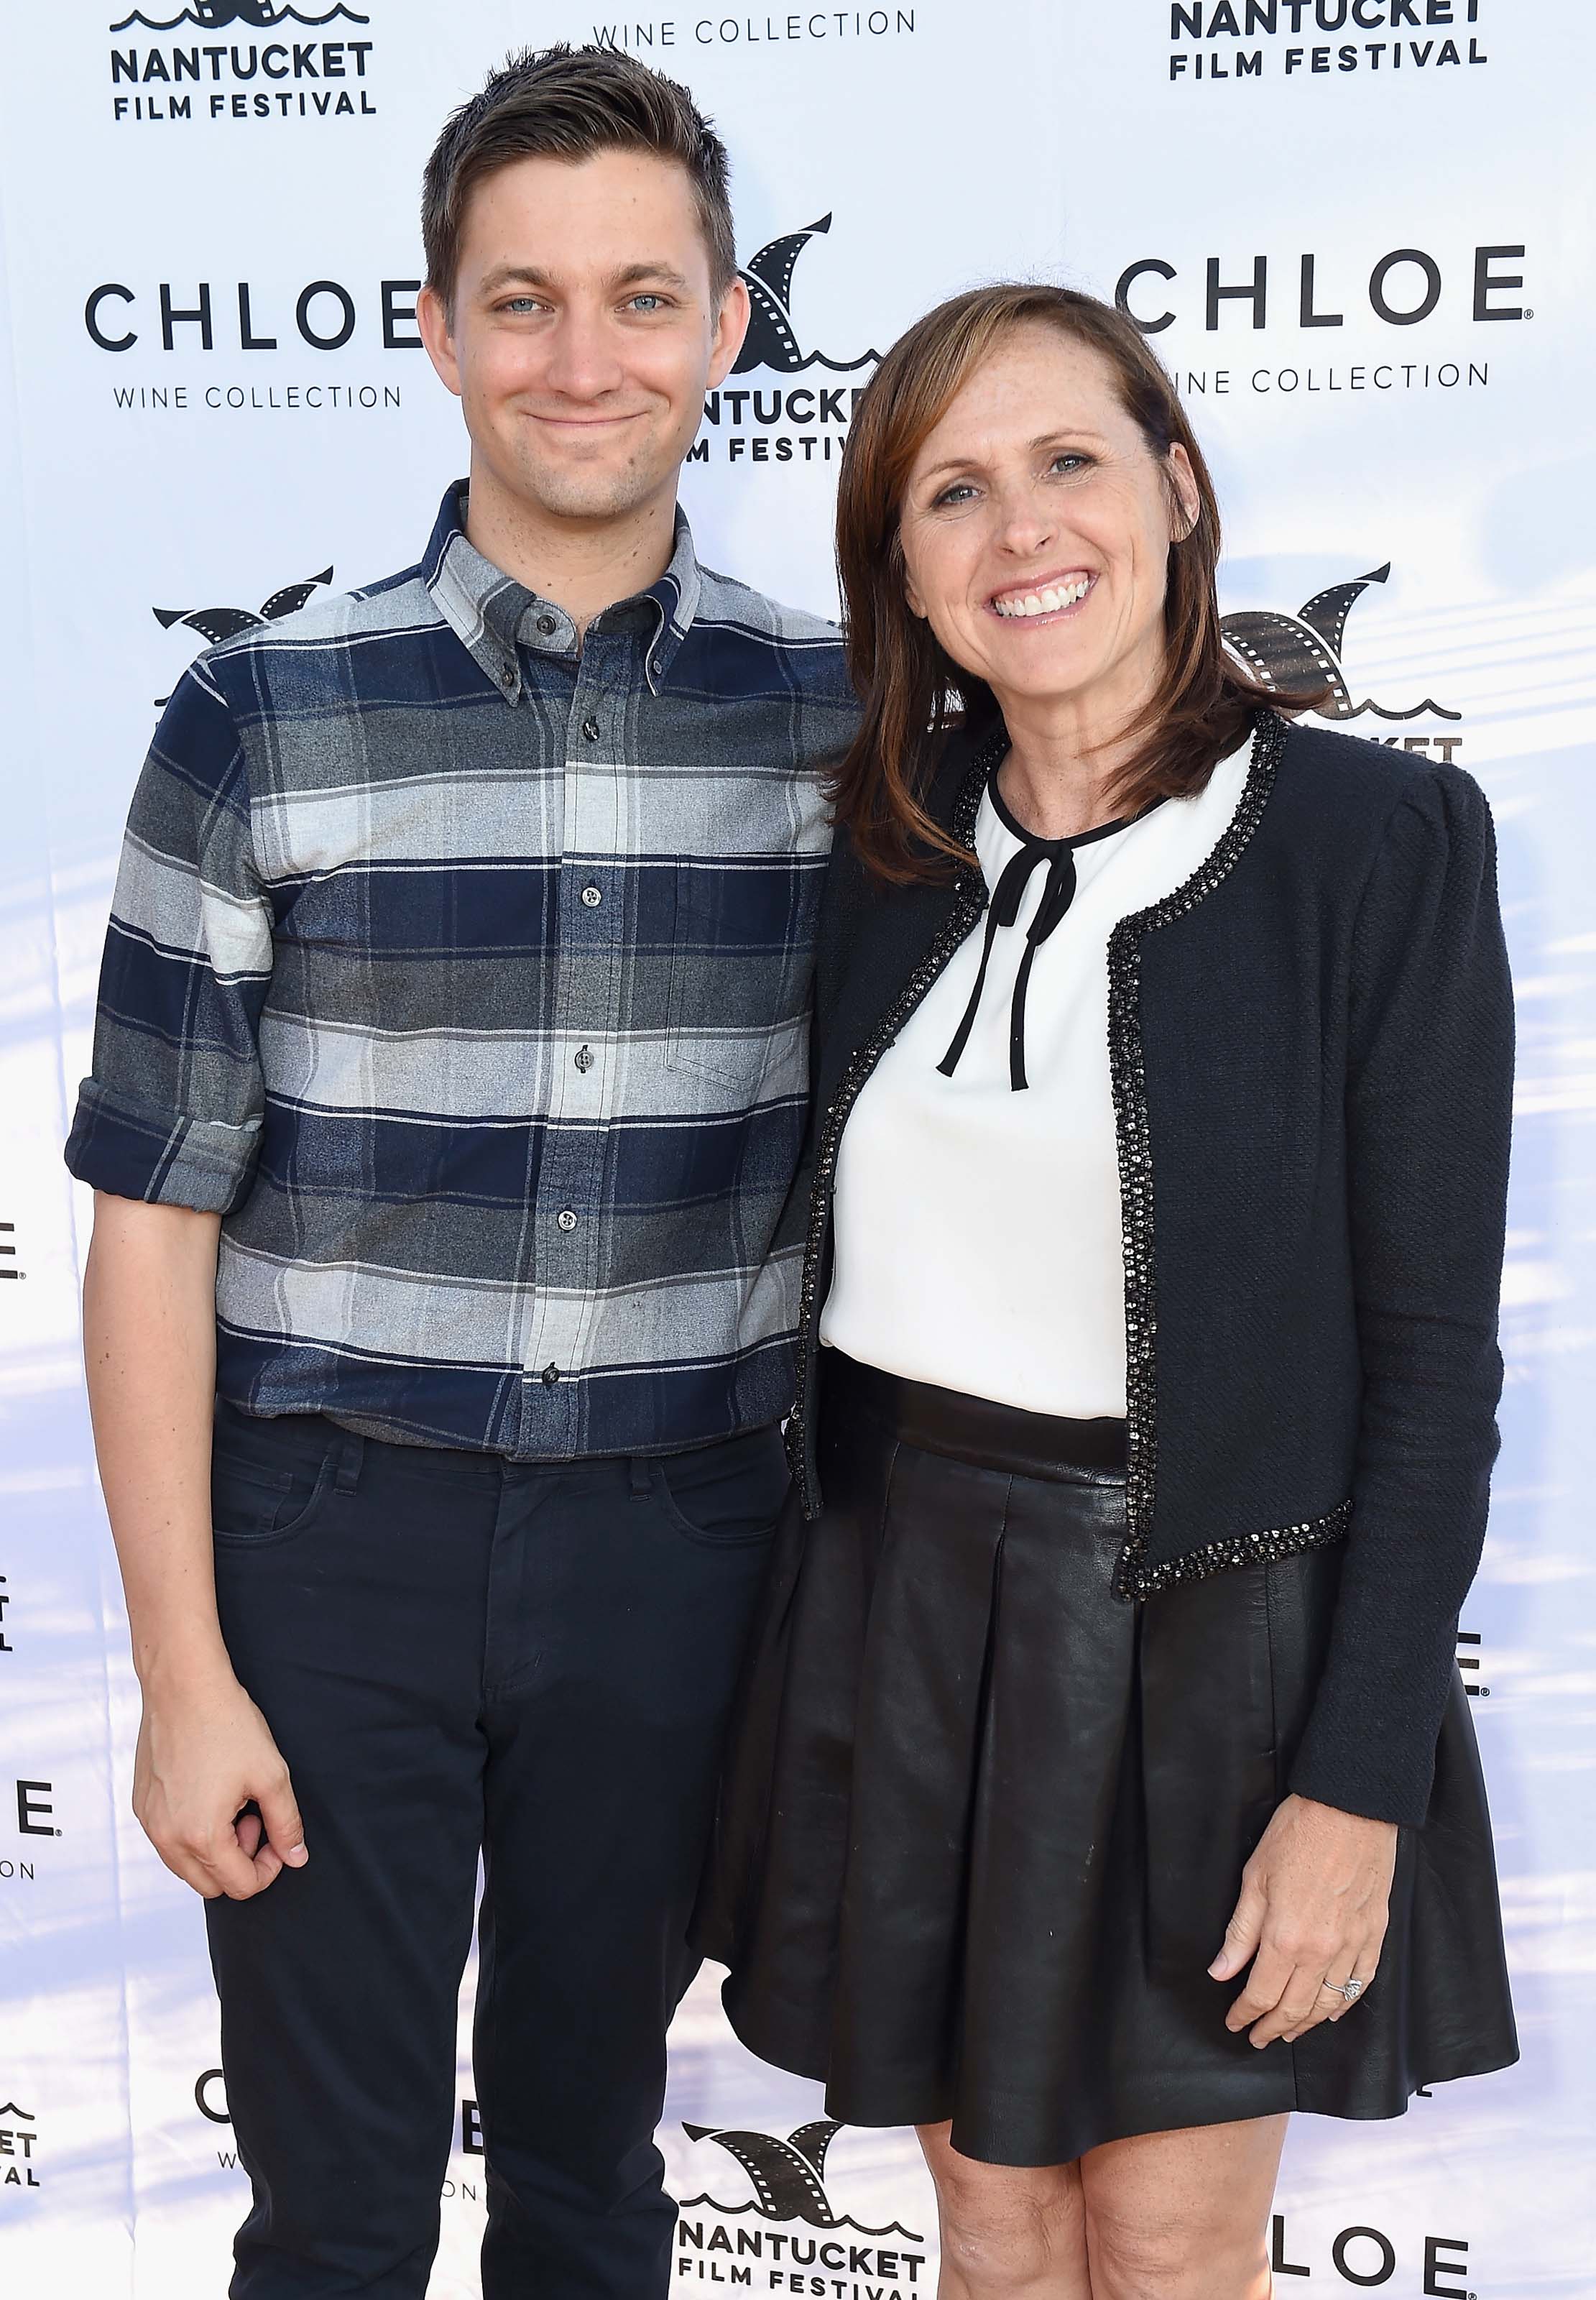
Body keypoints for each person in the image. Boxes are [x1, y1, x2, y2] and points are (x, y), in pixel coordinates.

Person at [64, 45, 853, 2300]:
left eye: (639, 297)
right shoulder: (262, 715)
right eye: (521, 302)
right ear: (434, 327)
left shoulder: (842, 721)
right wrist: (182, 1672)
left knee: (601, 2189)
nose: (581, 360)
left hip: (685, 1541)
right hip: (331, 1546)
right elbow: (149, 1217)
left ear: (724, 324)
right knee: (335, 2220)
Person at [695, 284, 1518, 2300]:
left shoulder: (1374, 841)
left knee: (1168, 2247)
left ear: (1176, 487)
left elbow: (1430, 1371)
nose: (1020, 531)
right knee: (987, 2225)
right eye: (950, 494)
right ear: (902, 569)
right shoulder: (876, 857)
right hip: (901, 1621)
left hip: (1222, 1646)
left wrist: (1353, 1780)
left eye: (1068, 460)